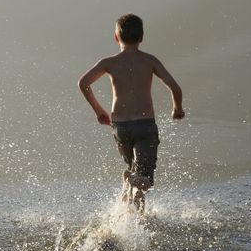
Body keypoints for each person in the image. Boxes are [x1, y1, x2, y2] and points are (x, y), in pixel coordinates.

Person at [78, 13, 184, 211]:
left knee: (135, 170)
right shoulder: (150, 61)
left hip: (120, 127)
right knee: (144, 180)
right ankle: (133, 180)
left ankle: (136, 216)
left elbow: (83, 83)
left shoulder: (109, 62)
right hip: (144, 126)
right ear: (142, 37)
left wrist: (99, 110)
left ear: (116, 37)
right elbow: (175, 87)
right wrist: (177, 109)